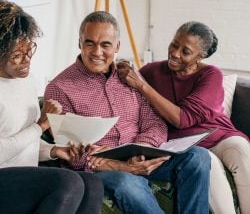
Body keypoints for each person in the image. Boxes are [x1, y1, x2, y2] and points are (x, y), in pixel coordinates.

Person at [44, 11, 211, 214]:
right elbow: (71, 155)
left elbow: (155, 123)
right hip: (101, 169)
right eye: (89, 43)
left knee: (198, 157)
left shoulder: (130, 77)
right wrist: (120, 166)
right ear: (79, 43)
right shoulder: (59, 88)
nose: (97, 52)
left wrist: (142, 148)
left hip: (138, 156)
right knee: (128, 182)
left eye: (105, 44)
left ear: (117, 46)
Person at [117, 21, 250, 214]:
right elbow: (124, 84)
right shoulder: (152, 71)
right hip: (185, 145)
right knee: (206, 162)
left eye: (185, 51)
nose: (175, 53)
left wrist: (142, 86)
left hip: (218, 135)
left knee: (241, 151)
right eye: (174, 44)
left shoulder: (211, 74)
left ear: (200, 56)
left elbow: (183, 119)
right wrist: (122, 68)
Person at [0, 0, 104, 214]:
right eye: (17, 56)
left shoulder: (28, 81)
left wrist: (55, 151)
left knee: (92, 184)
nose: (26, 61)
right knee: (68, 182)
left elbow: (25, 142)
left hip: (24, 175)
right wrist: (41, 125)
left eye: (29, 51)